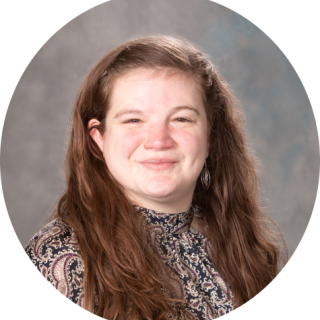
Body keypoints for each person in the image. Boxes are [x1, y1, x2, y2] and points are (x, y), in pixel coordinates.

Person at [24, 35, 288, 319]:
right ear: (98, 138)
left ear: (210, 136)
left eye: (181, 119)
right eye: (133, 120)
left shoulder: (241, 245)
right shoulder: (61, 259)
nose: (158, 141)